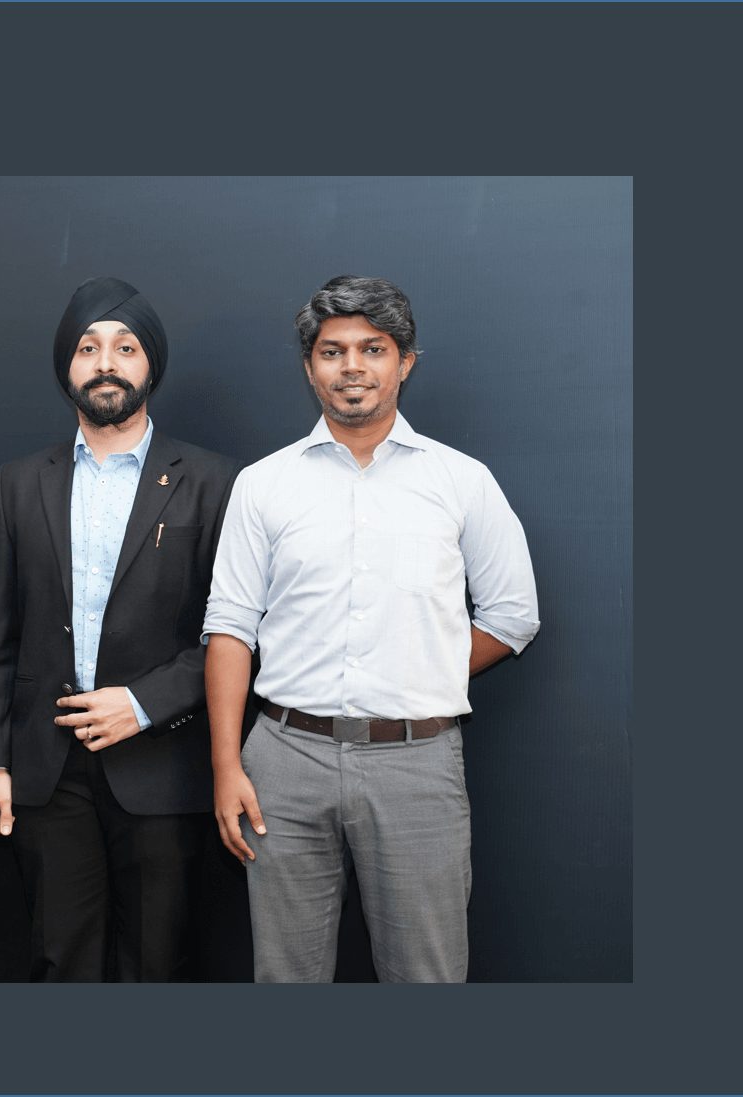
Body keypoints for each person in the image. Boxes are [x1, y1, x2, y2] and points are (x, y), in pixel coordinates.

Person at [204, 275, 540, 983]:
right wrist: (226, 766)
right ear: (309, 367)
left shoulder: (461, 481)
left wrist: (423, 668)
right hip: (281, 764)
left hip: (417, 765)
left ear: (404, 361)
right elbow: (230, 626)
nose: (351, 366)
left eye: (373, 348)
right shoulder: (263, 484)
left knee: (426, 973)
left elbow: (513, 616)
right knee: (285, 974)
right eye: (332, 351)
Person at [0, 277, 243, 982]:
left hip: (162, 763)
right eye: (87, 348)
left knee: (156, 964)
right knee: (59, 960)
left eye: (125, 347)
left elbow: (235, 631)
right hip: (45, 771)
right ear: (67, 365)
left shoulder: (214, 482)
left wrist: (143, 702)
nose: (105, 363)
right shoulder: (17, 482)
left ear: (151, 364)